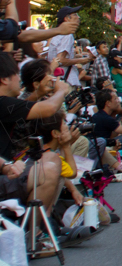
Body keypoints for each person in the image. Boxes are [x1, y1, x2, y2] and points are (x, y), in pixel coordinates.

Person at [0, 52, 72, 213]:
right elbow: (49, 109)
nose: (19, 79)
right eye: (16, 74)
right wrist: (60, 91)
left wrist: (39, 93)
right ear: (4, 79)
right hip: (9, 170)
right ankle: (34, 233)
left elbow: (18, 109)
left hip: (9, 167)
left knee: (52, 157)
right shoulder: (2, 102)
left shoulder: (6, 104)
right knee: (50, 169)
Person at [45, 8, 89, 88]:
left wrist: (74, 56)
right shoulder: (68, 35)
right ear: (67, 19)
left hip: (57, 78)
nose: (78, 17)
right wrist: (81, 60)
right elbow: (60, 60)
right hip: (66, 80)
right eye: (75, 15)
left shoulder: (56, 34)